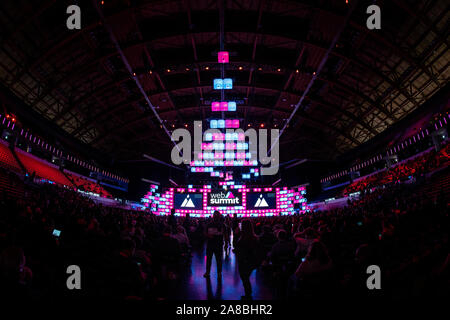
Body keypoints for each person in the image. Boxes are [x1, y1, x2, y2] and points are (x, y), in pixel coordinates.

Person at [234, 219, 260, 300]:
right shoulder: (254, 238)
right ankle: (248, 294)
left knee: (245, 279)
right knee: (246, 278)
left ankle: (248, 295)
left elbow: (236, 247)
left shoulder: (242, 238)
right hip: (251, 262)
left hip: (243, 262)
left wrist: (236, 235)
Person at [203, 211, 224, 278]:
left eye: (217, 216)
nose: (216, 217)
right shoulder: (220, 224)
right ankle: (215, 272)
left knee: (216, 259)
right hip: (213, 244)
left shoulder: (220, 225)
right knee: (214, 259)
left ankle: (212, 272)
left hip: (215, 244)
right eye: (215, 216)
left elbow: (224, 233)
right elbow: (205, 233)